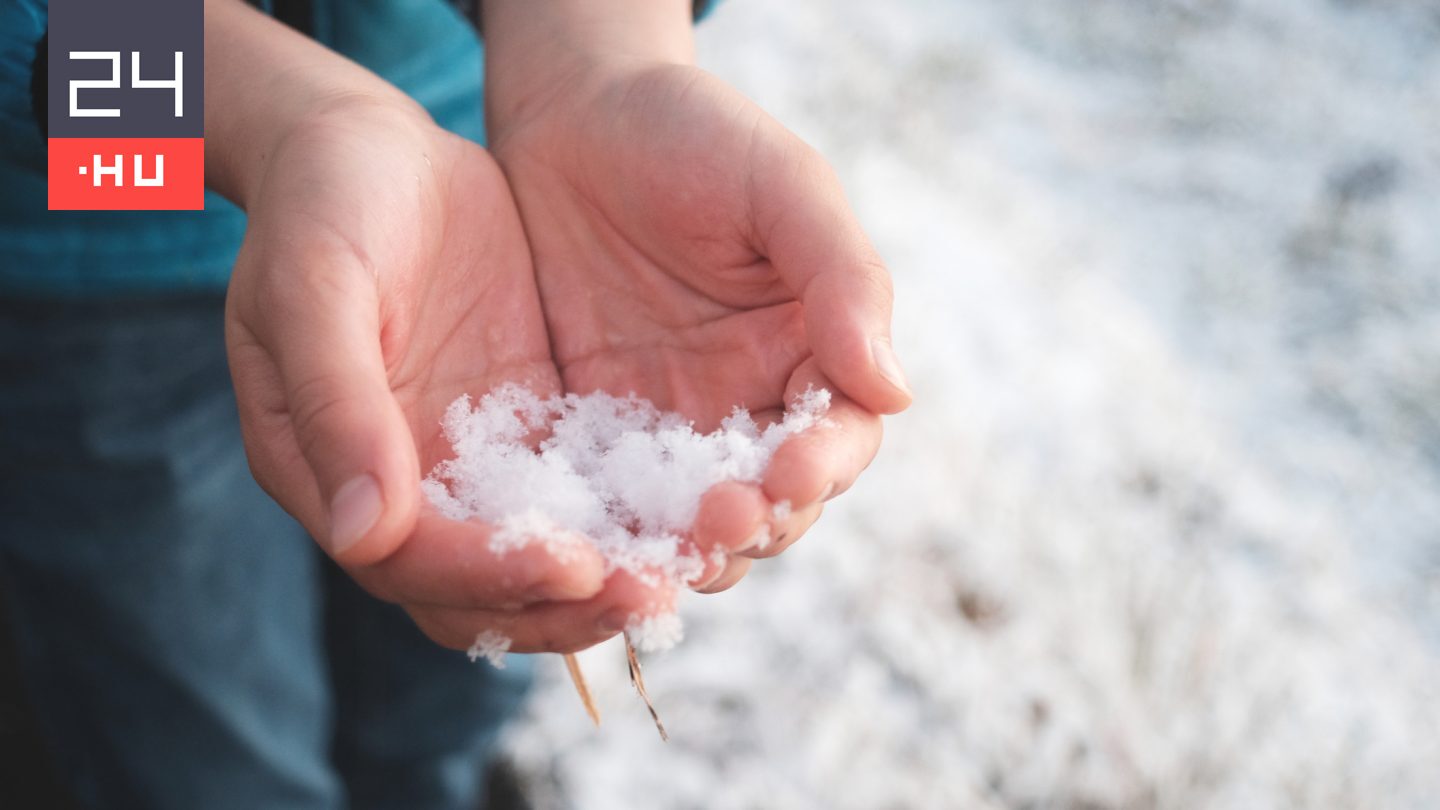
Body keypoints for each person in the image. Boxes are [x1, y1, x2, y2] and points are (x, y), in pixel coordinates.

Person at [0, 0, 912, 807]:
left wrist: (596, 58)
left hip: (471, 174)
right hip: (93, 242)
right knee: (202, 734)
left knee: (460, 673)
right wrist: (259, 110)